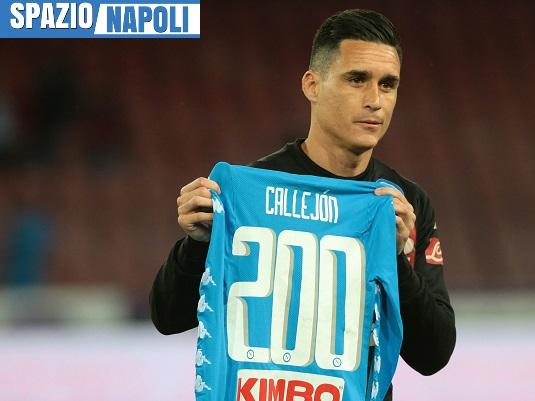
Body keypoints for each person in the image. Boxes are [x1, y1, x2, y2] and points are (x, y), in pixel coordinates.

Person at [150, 9, 456, 400]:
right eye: (357, 79)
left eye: (388, 84)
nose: (375, 101)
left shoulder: (404, 205)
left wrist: (394, 258)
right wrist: (196, 245)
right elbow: (167, 317)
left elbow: (433, 355)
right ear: (312, 85)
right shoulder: (251, 195)